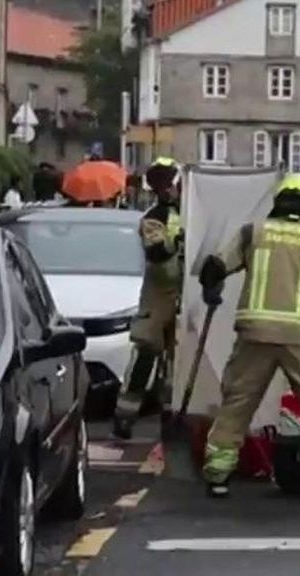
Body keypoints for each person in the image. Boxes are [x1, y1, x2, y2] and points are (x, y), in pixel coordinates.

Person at [198, 173, 300, 499]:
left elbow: (214, 266)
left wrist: (211, 291)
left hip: (254, 333)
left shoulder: (252, 233)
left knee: (238, 403)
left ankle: (218, 473)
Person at [113, 157, 183, 439]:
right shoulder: (154, 217)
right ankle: (124, 416)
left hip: (185, 296)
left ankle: (172, 415)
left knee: (179, 361)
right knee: (145, 354)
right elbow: (155, 253)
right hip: (159, 295)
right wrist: (176, 241)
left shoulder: (192, 210)